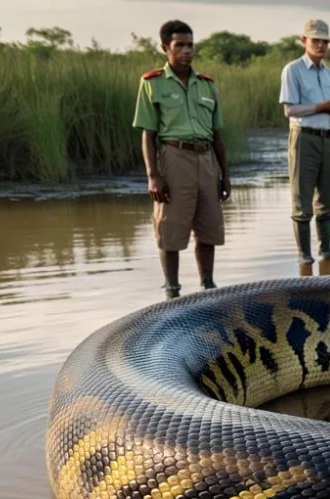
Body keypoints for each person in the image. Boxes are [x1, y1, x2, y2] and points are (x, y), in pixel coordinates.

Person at [132, 19, 230, 300]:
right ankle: (172, 290)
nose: (187, 51)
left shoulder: (207, 85)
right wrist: (153, 175)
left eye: (190, 45)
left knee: (208, 227)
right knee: (171, 228)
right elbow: (148, 135)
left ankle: (208, 286)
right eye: (180, 46)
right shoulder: (152, 84)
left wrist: (225, 174)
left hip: (206, 159)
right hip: (173, 158)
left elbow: (217, 135)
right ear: (166, 48)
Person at [279, 18, 330, 267]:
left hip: (328, 138)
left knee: (328, 198)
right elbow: (290, 110)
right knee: (302, 199)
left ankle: (325, 251)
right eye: (316, 40)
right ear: (304, 41)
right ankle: (304, 254)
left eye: (325, 41)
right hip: (304, 138)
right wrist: (324, 106)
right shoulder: (293, 70)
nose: (321, 45)